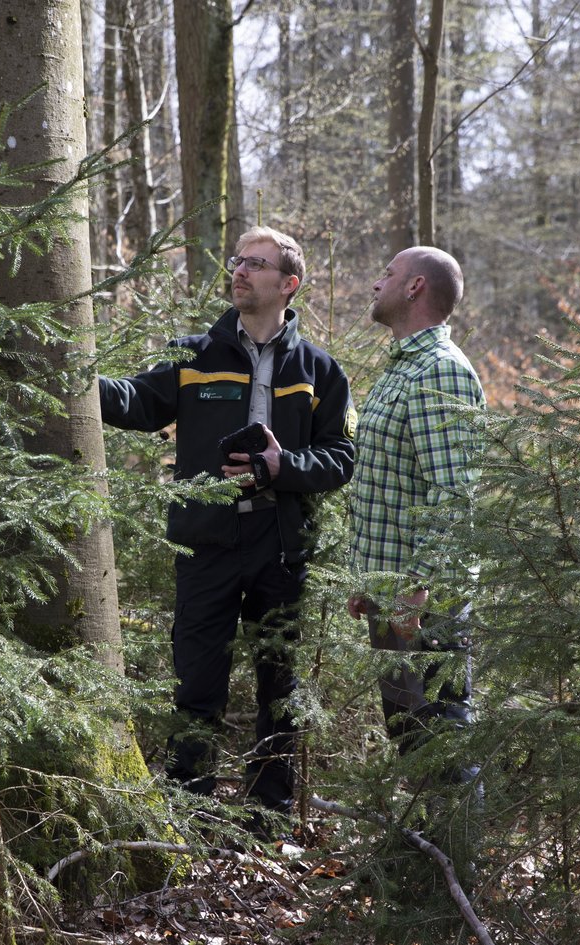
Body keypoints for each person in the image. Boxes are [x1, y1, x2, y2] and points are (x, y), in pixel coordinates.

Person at [100, 227, 355, 829]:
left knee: (280, 689)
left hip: (281, 547)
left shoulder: (319, 370)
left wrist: (281, 466)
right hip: (207, 541)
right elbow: (135, 402)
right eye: (237, 261)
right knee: (197, 682)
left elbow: (341, 458)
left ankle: (267, 817)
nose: (239, 271)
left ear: (287, 285)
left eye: (256, 264)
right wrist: (72, 377)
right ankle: (189, 813)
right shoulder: (195, 355)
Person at [345, 246, 485, 767]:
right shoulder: (404, 368)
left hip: (425, 600)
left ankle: (460, 848)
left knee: (443, 735)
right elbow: (388, 481)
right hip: (394, 592)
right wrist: (370, 581)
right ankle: (426, 848)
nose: (376, 284)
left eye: (388, 274)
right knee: (410, 733)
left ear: (415, 287)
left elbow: (451, 496)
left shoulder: (440, 372)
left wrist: (415, 589)